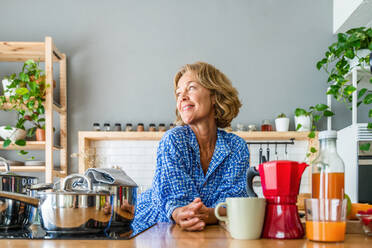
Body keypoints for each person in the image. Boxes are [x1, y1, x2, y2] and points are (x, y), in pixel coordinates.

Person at [131, 62, 249, 235]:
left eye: (191, 88)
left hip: (207, 232)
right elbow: (178, 203)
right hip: (153, 227)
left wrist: (209, 214)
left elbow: (234, 201)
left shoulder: (236, 147)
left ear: (214, 96)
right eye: (178, 93)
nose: (182, 97)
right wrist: (186, 212)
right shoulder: (174, 140)